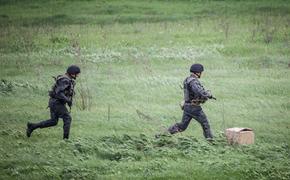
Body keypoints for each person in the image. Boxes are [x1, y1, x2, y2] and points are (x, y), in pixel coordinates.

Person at [26, 65, 81, 139]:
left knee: (53, 121)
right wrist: (67, 100)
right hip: (56, 103)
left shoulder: (66, 79)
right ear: (72, 73)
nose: (77, 75)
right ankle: (66, 140)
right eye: (77, 74)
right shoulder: (65, 80)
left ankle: (32, 126)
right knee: (67, 118)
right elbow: (59, 92)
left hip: (54, 102)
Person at [167, 63, 215, 141]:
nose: (201, 74)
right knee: (205, 123)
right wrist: (208, 95)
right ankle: (211, 142)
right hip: (194, 107)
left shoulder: (187, 79)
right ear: (198, 72)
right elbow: (199, 92)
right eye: (201, 72)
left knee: (182, 126)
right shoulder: (193, 81)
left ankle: (162, 136)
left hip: (187, 106)